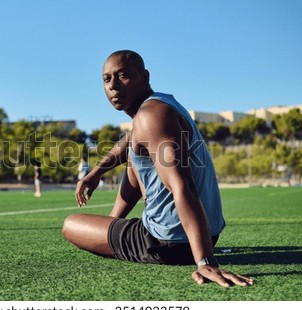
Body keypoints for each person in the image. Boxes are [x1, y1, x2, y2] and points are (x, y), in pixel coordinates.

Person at [62, 50, 253, 288]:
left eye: (122, 76)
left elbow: (182, 186)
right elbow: (130, 141)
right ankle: (112, 225)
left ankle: (112, 233)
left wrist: (205, 261)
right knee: (135, 156)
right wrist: (95, 173)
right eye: (106, 79)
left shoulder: (150, 116)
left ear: (144, 77)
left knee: (70, 224)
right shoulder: (159, 106)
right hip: (205, 234)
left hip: (166, 242)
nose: (113, 86)